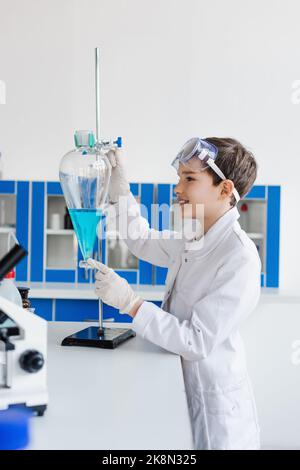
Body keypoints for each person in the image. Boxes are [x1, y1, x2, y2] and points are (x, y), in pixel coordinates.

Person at [87, 137, 261, 450]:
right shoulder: (194, 235)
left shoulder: (240, 258)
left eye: (190, 179)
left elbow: (196, 340)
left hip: (217, 417)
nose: (177, 189)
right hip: (178, 389)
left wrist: (131, 303)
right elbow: (141, 240)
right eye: (179, 178)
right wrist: (121, 192)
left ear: (225, 189)